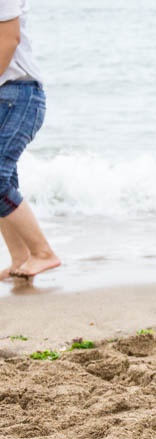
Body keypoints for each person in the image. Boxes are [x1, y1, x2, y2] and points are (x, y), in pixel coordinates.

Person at [0, 0, 58, 281]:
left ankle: (43, 253)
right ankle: (21, 258)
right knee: (4, 181)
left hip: (18, 94)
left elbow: (9, 40)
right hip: (6, 95)